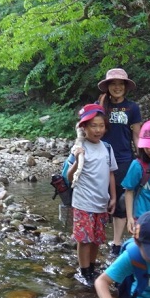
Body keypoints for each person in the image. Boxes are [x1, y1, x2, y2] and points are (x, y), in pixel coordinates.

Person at [65, 104, 117, 285]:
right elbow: (69, 176)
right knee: (84, 239)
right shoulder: (79, 148)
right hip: (83, 202)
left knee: (96, 239)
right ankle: (84, 271)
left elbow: (110, 173)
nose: (98, 130)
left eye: (101, 125)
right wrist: (77, 160)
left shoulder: (107, 148)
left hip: (101, 202)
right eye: (93, 126)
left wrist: (114, 197)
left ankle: (92, 268)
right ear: (84, 127)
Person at [97, 68, 142, 257]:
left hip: (124, 159)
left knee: (122, 202)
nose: (117, 87)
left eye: (120, 84)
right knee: (100, 199)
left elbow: (137, 134)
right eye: (113, 84)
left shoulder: (132, 108)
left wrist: (142, 157)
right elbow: (87, 126)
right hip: (100, 158)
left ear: (125, 87)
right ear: (108, 87)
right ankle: (95, 239)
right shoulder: (100, 105)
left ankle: (116, 243)